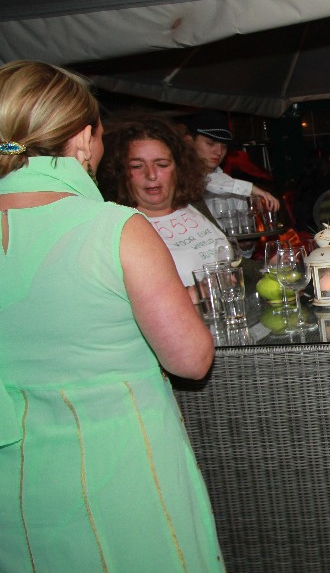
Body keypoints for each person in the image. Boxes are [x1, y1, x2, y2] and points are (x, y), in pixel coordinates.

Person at [0, 60, 223, 569]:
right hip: (117, 472)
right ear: (83, 139)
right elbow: (191, 359)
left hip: (15, 484)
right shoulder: (115, 227)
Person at [98, 115, 260, 288]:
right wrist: (196, 293)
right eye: (137, 166)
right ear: (120, 172)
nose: (151, 175)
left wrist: (270, 269)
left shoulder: (194, 205)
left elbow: (237, 265)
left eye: (161, 164)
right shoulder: (119, 226)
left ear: (179, 168)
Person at [186, 109, 280, 217]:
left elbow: (242, 222)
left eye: (224, 146)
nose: (219, 152)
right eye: (211, 143)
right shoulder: (179, 175)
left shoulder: (229, 184)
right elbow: (207, 181)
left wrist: (255, 206)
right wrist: (251, 189)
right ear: (189, 141)